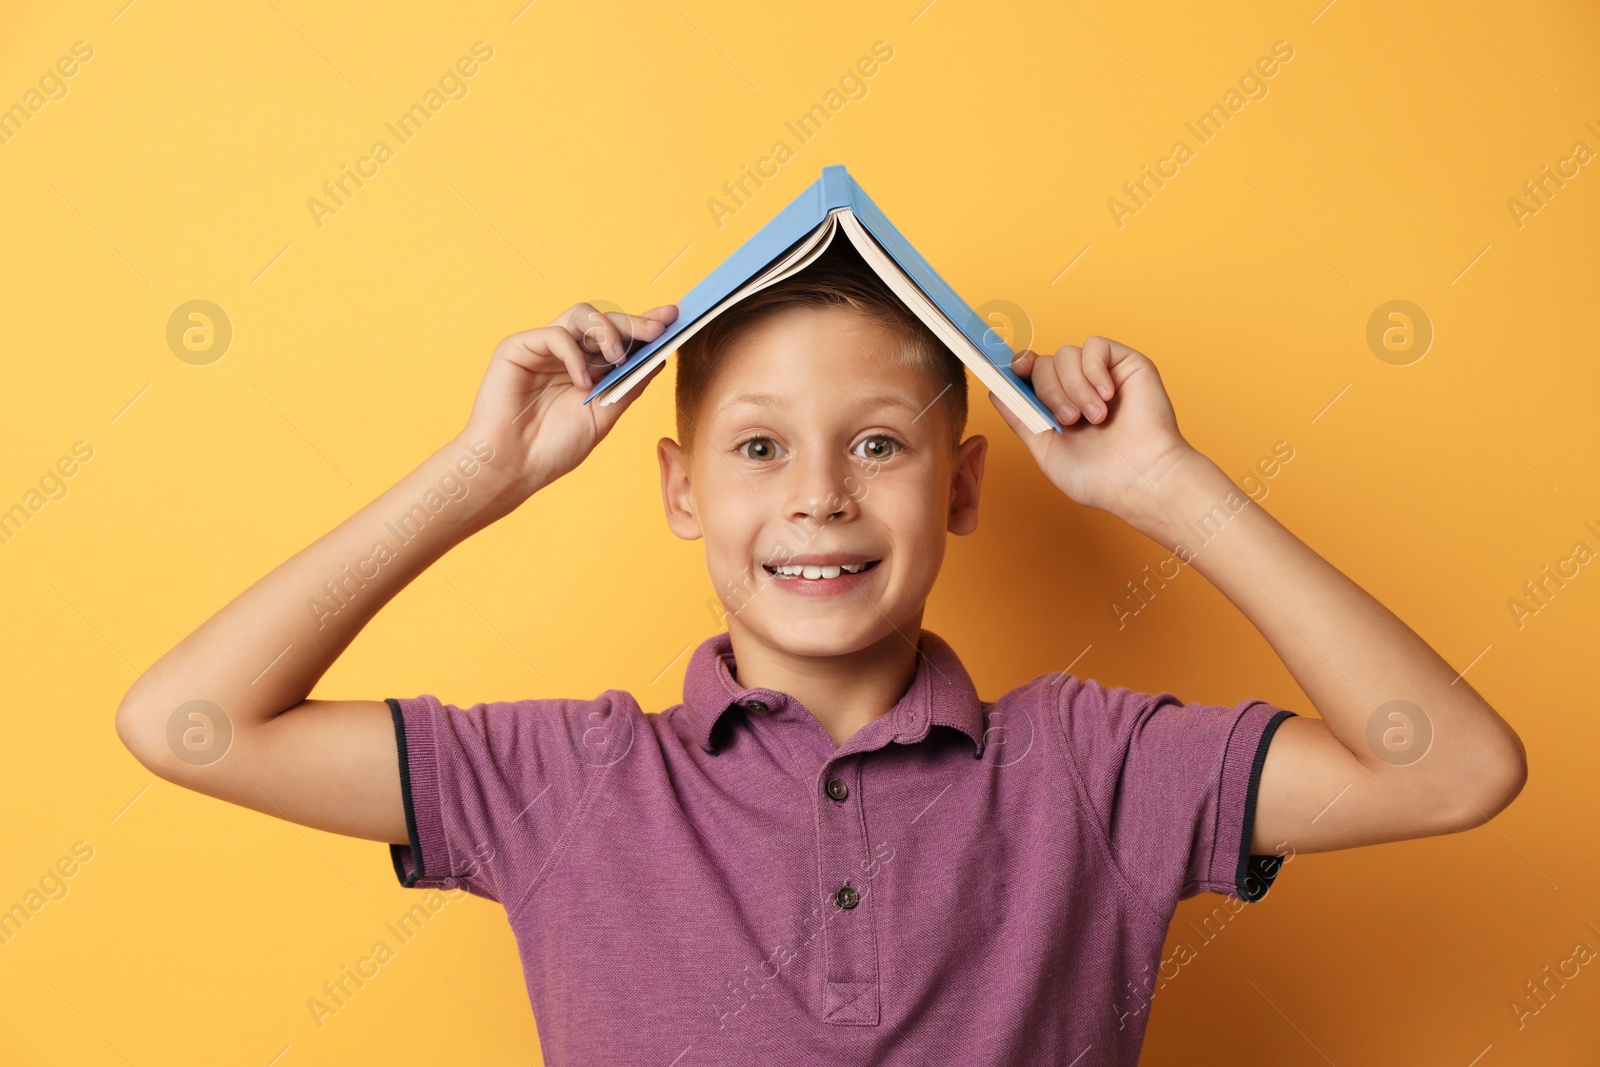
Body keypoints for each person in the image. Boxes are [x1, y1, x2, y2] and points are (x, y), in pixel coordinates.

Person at [115, 241, 1526, 1065]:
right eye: (757, 449)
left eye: (878, 444)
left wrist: (1165, 488)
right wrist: (481, 474)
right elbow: (189, 720)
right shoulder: (567, 779)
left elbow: (1454, 769)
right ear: (679, 490)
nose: (818, 498)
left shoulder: (1094, 766)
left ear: (963, 487)